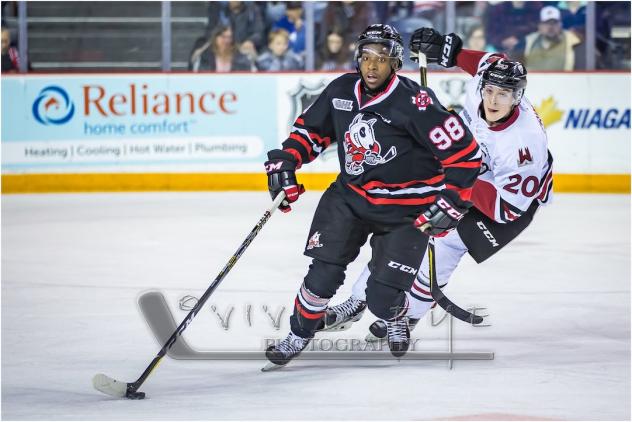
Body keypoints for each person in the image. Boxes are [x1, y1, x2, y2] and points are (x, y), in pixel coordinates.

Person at [262, 24, 481, 369]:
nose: (372, 65)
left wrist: (453, 200)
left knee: (381, 299)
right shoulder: (341, 90)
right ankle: (299, 334)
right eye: (366, 57)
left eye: (381, 58)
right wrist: (287, 160)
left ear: (395, 62)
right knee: (321, 276)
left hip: (408, 209)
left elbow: (465, 154)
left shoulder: (417, 102)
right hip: (350, 198)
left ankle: (395, 315)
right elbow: (311, 133)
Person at [324, 27, 554, 340]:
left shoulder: (524, 147)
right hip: (471, 170)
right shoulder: (481, 86)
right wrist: (453, 53)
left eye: (504, 94)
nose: (493, 99)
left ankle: (410, 315)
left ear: (518, 98)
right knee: (407, 225)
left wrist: (452, 183)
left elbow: (507, 209)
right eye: (490, 91)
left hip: (507, 201)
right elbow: (490, 60)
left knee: (446, 243)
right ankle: (357, 299)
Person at [522, 5, 581, 71]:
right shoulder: (527, 42)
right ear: (539, 26)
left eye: (554, 23)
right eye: (546, 23)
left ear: (560, 25)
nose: (550, 27)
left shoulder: (574, 43)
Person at [188, 25, 253, 72]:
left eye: (229, 37)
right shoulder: (205, 56)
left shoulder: (240, 57)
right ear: (215, 38)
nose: (227, 40)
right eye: (223, 37)